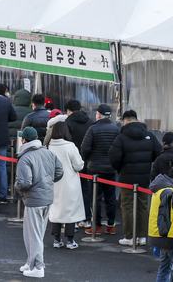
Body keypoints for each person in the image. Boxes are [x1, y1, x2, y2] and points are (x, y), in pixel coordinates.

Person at [108, 109, 162, 245]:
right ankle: (143, 237)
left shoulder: (121, 137)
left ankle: (129, 237)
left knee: (127, 206)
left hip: (126, 177)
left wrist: (120, 168)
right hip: (144, 176)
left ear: (124, 121)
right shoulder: (149, 135)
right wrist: (147, 162)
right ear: (137, 120)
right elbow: (158, 152)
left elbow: (113, 157)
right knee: (143, 206)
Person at [16, 127, 64, 278]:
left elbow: (24, 183)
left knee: (33, 235)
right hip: (47, 198)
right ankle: (31, 263)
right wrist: (47, 183)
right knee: (37, 234)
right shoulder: (48, 152)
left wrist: (16, 186)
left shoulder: (25, 156)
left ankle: (38, 266)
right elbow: (59, 172)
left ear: (24, 140)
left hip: (33, 200)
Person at [81, 104, 120, 235]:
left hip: (95, 169)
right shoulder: (116, 129)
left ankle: (96, 226)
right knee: (110, 197)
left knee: (95, 198)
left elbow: (85, 148)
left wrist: (88, 159)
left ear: (98, 115)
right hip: (110, 169)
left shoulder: (93, 129)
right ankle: (111, 225)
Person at [47, 123, 84, 250]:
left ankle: (56, 240)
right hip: (69, 183)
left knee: (56, 210)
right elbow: (78, 165)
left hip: (53, 182)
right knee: (70, 212)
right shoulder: (70, 146)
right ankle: (70, 240)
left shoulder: (48, 146)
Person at [64, 100, 95, 229]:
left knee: (71, 191)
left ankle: (73, 221)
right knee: (86, 190)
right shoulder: (91, 122)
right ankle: (87, 218)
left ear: (68, 110)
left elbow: (65, 142)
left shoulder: (68, 123)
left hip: (72, 162)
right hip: (88, 161)